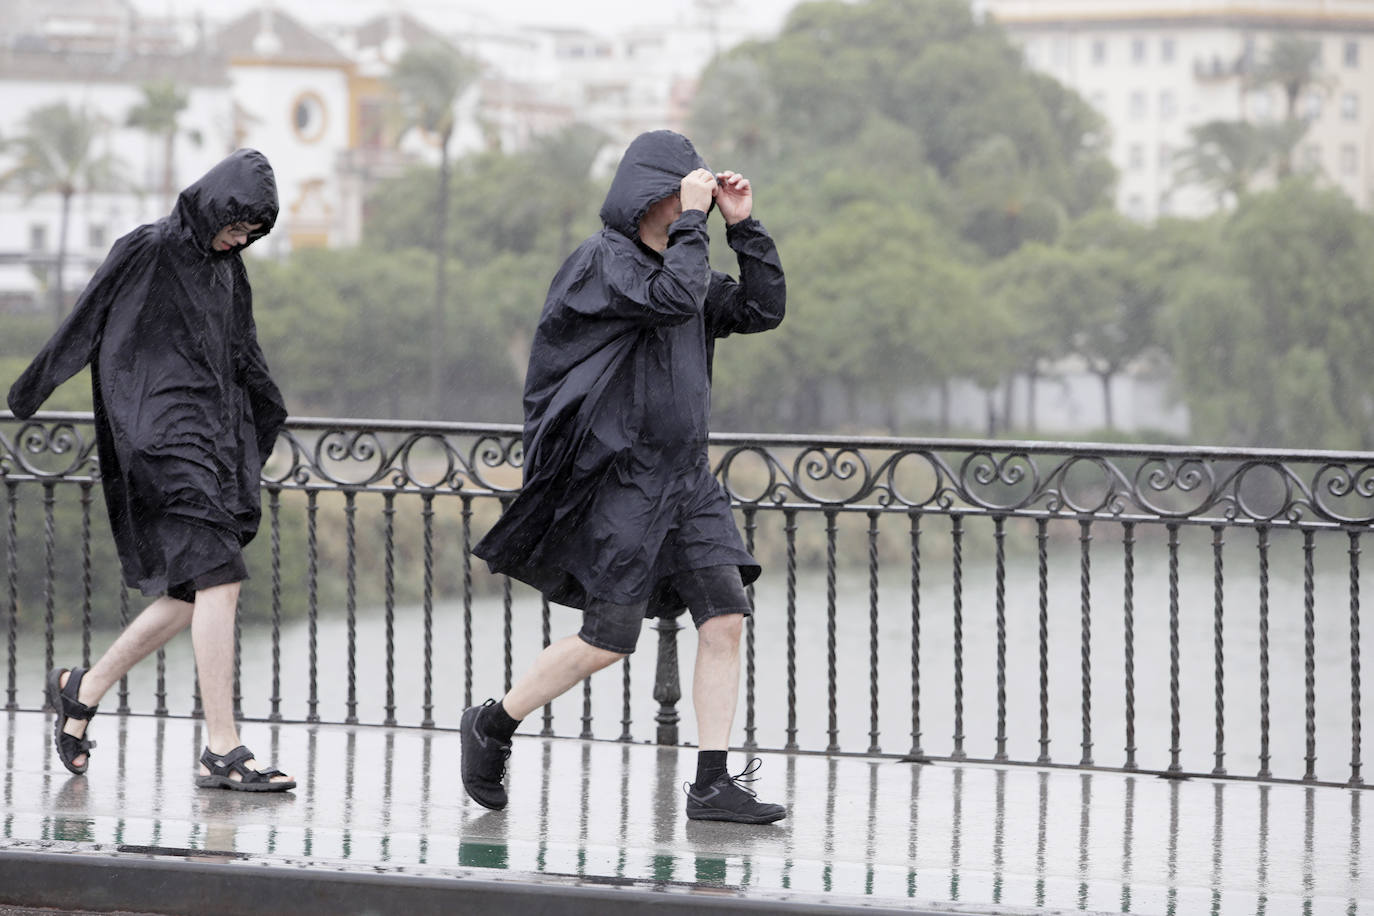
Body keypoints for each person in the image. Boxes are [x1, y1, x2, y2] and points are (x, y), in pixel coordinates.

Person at [466, 130, 786, 823]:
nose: (690, 201)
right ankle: (494, 722)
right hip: (623, 479)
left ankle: (711, 784)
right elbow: (671, 297)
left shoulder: (688, 263)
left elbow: (762, 310)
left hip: (686, 477)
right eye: (682, 192)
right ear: (652, 196)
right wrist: (698, 225)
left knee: (725, 617)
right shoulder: (603, 265)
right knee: (608, 641)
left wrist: (744, 226)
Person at [7, 148, 294, 792]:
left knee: (191, 594)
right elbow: (86, 319)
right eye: (235, 224)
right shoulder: (149, 246)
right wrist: (27, 394)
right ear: (214, 204)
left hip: (208, 442)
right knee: (219, 577)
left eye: (251, 232)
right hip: (157, 440)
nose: (238, 237)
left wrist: (269, 413)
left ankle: (83, 690)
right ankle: (222, 748)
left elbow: (242, 351)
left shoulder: (228, 270)